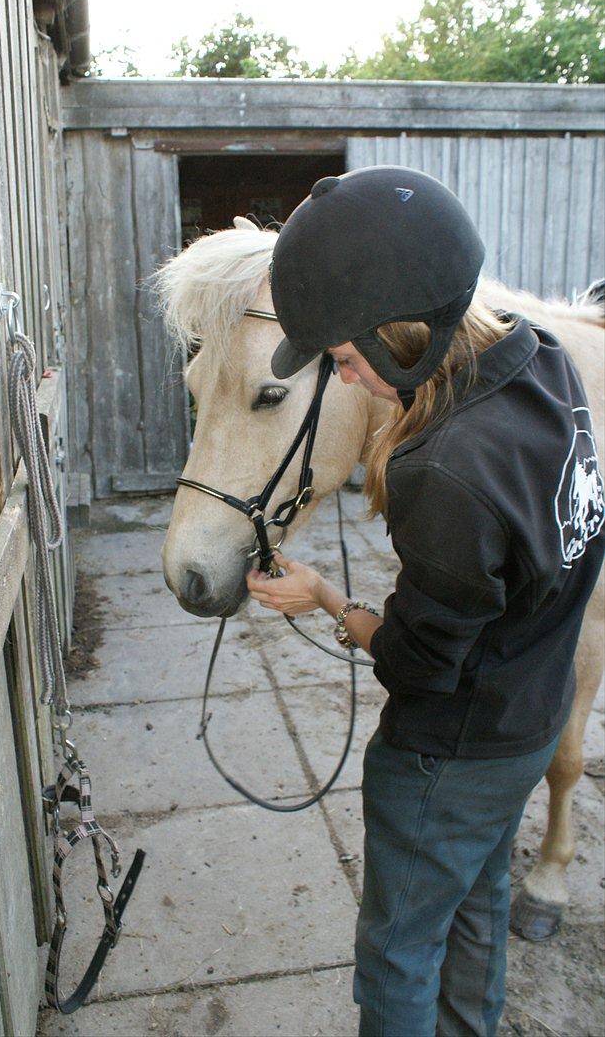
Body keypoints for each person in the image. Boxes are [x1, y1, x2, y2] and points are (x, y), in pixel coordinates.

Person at [246, 167, 605, 1037]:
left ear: (400, 334)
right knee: (477, 910)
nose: (352, 383)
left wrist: (325, 595)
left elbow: (416, 662)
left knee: (398, 954)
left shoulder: (439, 469)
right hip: (529, 719)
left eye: (344, 360)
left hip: (449, 756)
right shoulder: (544, 362)